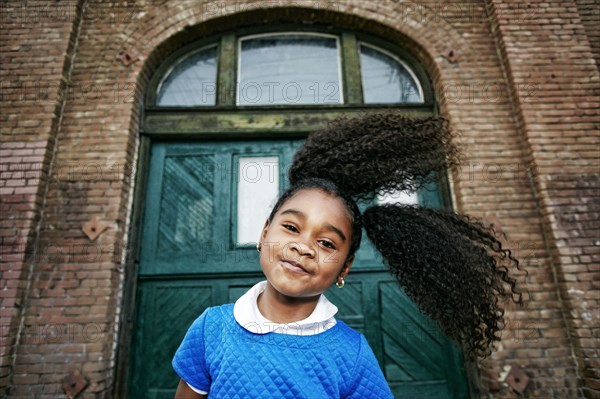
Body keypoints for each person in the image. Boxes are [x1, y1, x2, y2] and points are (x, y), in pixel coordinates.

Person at [172, 113, 524, 399]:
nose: (304, 246)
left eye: (327, 244)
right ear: (265, 233)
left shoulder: (350, 354)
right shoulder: (211, 328)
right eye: (292, 228)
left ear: (345, 267)